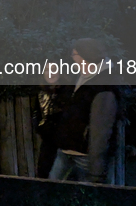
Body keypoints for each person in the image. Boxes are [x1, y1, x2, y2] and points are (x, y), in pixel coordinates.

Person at [48, 39, 120, 183]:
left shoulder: (103, 87)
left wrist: (96, 171)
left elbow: (101, 131)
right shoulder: (80, 77)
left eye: (75, 55)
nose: (73, 58)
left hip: (85, 157)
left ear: (86, 56)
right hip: (66, 150)